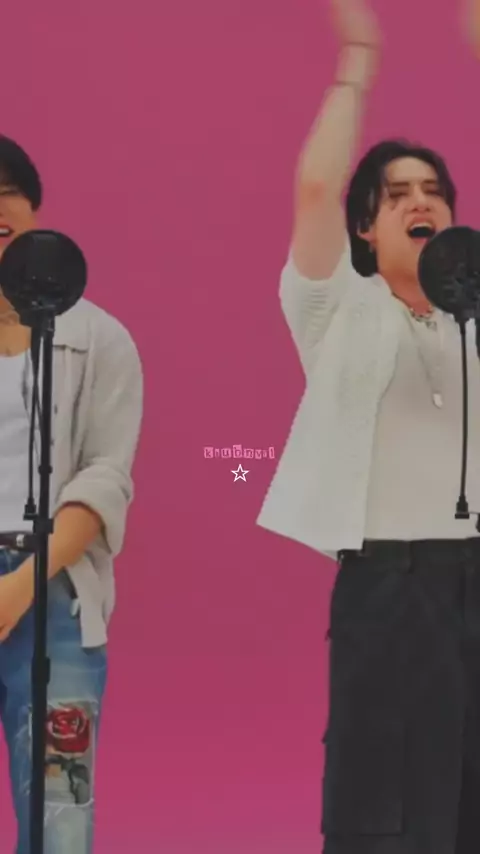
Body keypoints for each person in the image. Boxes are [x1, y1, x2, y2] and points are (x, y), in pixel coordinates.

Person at [257, 1, 480, 852]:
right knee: (379, 809)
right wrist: (356, 56)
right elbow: (317, 186)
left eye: (434, 192)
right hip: (388, 587)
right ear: (365, 226)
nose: (421, 202)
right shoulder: (339, 309)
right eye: (397, 195)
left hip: (475, 578)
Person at [0, 135, 143, 853]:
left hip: (55, 595)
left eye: (4, 204)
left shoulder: (100, 339)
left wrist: (18, 587)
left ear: (35, 213)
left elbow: (105, 477)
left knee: (61, 817)